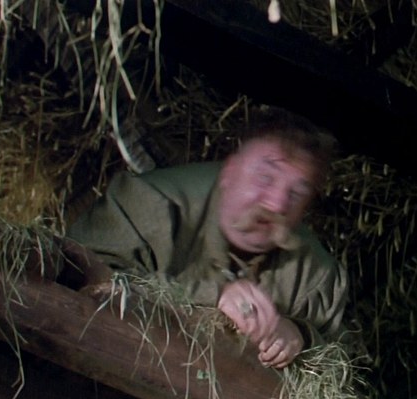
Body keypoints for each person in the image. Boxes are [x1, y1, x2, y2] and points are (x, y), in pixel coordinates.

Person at [66, 105, 348, 368]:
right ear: (229, 171)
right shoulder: (148, 204)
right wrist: (212, 296)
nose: (277, 204)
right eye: (266, 178)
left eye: (296, 193)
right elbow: (80, 275)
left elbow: (342, 365)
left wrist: (301, 336)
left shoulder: (317, 276)